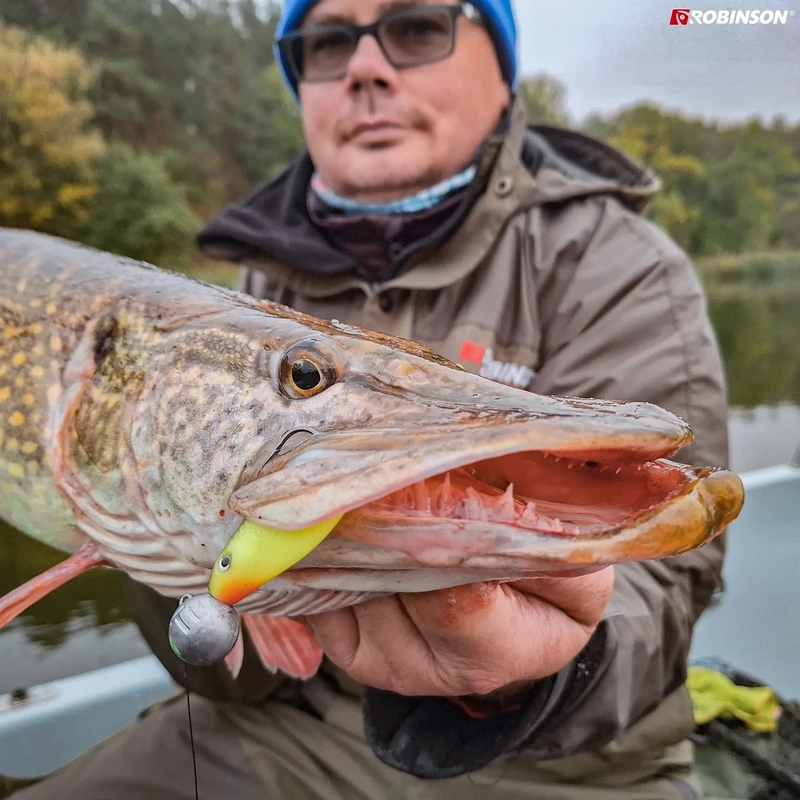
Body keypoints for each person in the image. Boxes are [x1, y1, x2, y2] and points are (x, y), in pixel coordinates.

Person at [10, 1, 730, 798]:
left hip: (568, 768)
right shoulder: (256, 283)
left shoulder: (617, 266)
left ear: (504, 72)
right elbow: (232, 669)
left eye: (417, 28)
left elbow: (671, 579)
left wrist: (531, 674)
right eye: (325, 44)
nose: (365, 67)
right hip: (297, 731)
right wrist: (178, 570)